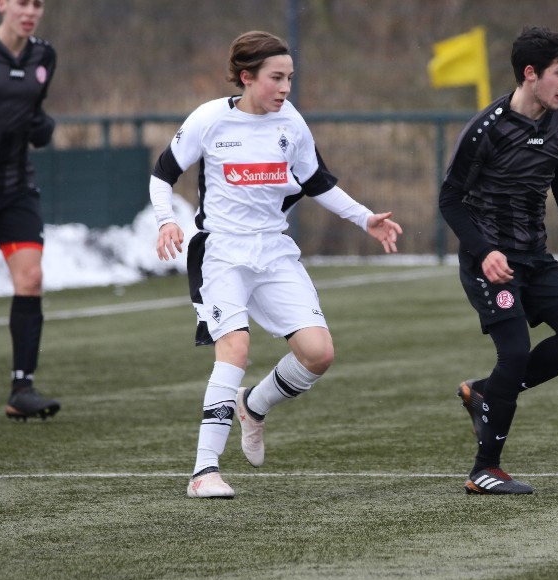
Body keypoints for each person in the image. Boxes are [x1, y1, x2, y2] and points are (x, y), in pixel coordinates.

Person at [150, 30, 402, 499]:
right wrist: (166, 221)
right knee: (236, 350)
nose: (285, 87)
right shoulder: (209, 120)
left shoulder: (291, 123)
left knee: (319, 354)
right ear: (247, 77)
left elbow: (318, 183)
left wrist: (365, 218)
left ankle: (255, 405)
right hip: (222, 252)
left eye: (290, 77)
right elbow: (163, 174)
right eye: (276, 78)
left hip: (273, 251)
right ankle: (204, 471)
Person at [438, 26, 558, 495]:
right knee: (513, 352)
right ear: (531, 74)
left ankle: (488, 391)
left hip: (536, 255)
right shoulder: (486, 129)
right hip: (491, 260)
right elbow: (449, 200)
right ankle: (484, 470)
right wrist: (485, 251)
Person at [0, 0, 60, 422]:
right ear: (2, 4)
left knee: (31, 277)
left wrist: (42, 125)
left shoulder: (44, 56)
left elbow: (33, 112)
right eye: (23, 2)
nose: (31, 11)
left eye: (38, 4)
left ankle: (22, 389)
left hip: (16, 188)